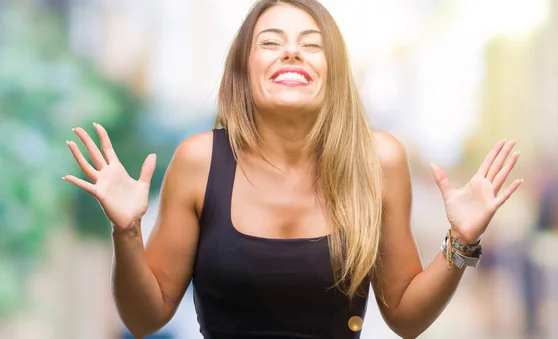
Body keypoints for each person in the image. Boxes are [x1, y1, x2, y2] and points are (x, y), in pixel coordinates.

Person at [63, 0, 523, 338]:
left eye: (311, 45)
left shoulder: (379, 160)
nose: (291, 53)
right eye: (270, 42)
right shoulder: (199, 161)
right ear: (244, 69)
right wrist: (126, 231)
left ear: (334, 71)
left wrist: (461, 242)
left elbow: (404, 315)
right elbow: (145, 319)